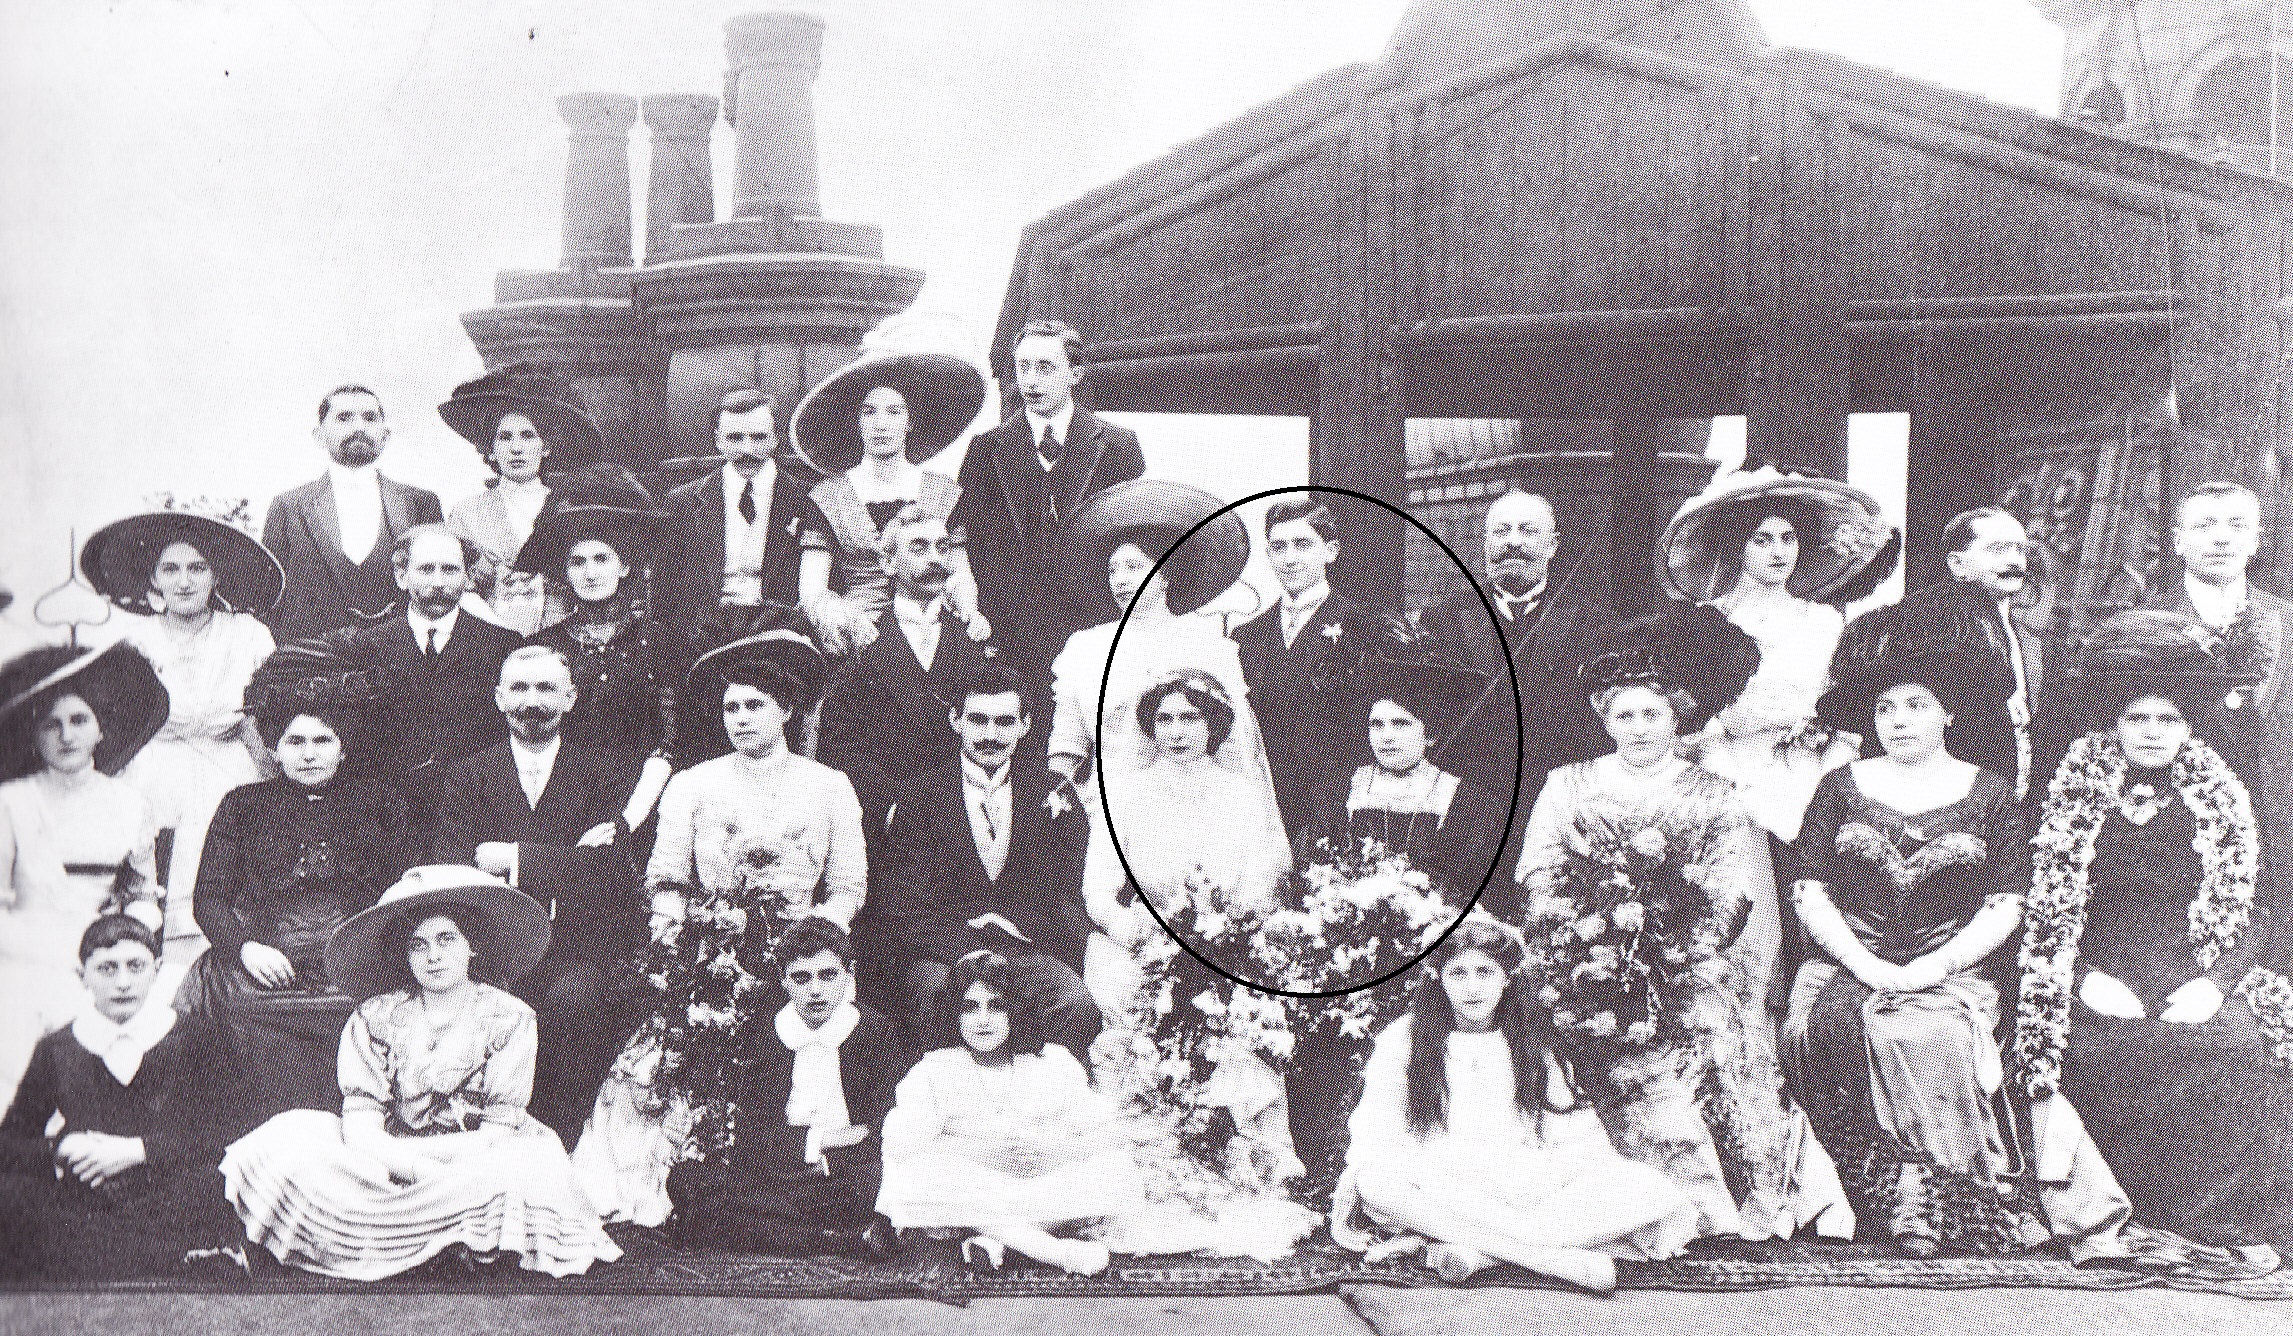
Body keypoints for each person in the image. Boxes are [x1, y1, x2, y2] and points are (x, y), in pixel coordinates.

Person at [1789, 613, 2130, 1259]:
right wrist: (1865, 963)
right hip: (1845, 963)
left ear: (1947, 714)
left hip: (1953, 965)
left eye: (1916, 704)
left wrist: (1931, 966)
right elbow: (1810, 890)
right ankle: (1876, 1204)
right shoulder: (1838, 788)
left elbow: (2006, 902)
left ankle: (1954, 1206)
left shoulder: (1989, 793)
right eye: (1884, 707)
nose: (1897, 720)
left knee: (1924, 1033)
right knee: (1805, 1031)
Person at [1516, 640, 1852, 1244]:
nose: (1639, 728)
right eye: (1625, 715)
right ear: (1604, 719)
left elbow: (1735, 887)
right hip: (1588, 959)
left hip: (1688, 962)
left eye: (1653, 715)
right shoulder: (1568, 785)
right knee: (1568, 1028)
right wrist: (1588, 941)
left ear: (1676, 717)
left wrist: (1672, 949)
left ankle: (1725, 1198)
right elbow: (1540, 874)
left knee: (1711, 1031)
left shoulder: (1713, 792)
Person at [2017, 609, 2293, 1270]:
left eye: (2167, 720)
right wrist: (2082, 976)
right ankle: (2117, 1214)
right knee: (2089, 1045)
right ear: (2112, 724)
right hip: (2096, 961)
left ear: (2188, 727)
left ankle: (2211, 1220)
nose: (2150, 732)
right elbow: (2037, 904)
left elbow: (2255, 908)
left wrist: (2213, 982)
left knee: (2233, 1042)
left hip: (2194, 961)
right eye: (2136, 718)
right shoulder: (2068, 793)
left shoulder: (2227, 798)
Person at [573, 629, 864, 1225]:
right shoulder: (692, 785)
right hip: (710, 950)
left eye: (756, 705)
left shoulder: (828, 785)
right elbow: (666, 881)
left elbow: (847, 889)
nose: (741, 718)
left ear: (785, 711)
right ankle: (682, 1178)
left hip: (803, 959)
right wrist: (677, 951)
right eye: (731, 707)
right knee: (666, 1050)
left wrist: (807, 942)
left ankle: (781, 1173)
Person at [219, 866, 622, 1280]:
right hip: (386, 1156)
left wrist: (431, 1168)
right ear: (405, 955)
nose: (433, 956)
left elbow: (497, 1135)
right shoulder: (375, 1017)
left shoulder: (510, 1018)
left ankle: (440, 1239)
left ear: (472, 947)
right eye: (418, 945)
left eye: (447, 939)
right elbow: (361, 1130)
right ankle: (443, 1241)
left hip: (474, 1158)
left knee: (525, 1166)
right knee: (283, 1140)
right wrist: (409, 1166)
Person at [1333, 918, 1699, 1293]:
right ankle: (1556, 1261)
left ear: (1505, 977)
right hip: (1441, 1174)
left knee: (1644, 1191)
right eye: (1458, 973)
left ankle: (1480, 1251)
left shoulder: (1527, 1038)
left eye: (1484, 972)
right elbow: (1378, 1127)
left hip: (1519, 1175)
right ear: (1437, 975)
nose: (1472, 987)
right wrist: (1383, 1170)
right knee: (1378, 1182)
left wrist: (1580, 1166)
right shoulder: (1405, 1038)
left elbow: (1566, 1125)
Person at [180, 639, 419, 1123]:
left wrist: (368, 950)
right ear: (273, 746)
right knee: (239, 1021)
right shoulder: (243, 805)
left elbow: (404, 888)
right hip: (266, 964)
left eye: (322, 740)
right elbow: (209, 899)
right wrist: (245, 948)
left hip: (353, 962)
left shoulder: (380, 801)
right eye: (295, 741)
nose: (308, 755)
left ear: (344, 745)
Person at [432, 645, 646, 1143]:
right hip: (493, 949)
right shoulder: (469, 774)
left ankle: (555, 1147)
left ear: (570, 698)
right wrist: (567, 862)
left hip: (579, 948)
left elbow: (613, 874)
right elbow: (455, 866)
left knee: (577, 1003)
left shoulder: (608, 773)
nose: (532, 700)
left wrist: (517, 859)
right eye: (520, 688)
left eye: (546, 688)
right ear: (499, 697)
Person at [82, 507, 282, 974]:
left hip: (229, 764)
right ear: (152, 578)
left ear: (216, 575)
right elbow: (116, 717)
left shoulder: (247, 634)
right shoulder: (135, 637)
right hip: (153, 766)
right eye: (170, 569)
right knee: (149, 878)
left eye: (197, 567)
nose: (184, 581)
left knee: (226, 873)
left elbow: (270, 709)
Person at [0, 915, 256, 1281]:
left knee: (211, 1187)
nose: (123, 982)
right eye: (106, 968)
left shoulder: (196, 1036)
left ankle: (120, 1259)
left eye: (135, 966)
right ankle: (168, 1261)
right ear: (82, 975)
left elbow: (232, 1130)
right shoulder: (58, 1049)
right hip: (90, 1199)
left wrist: (138, 1151)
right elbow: (10, 1141)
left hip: (169, 1195)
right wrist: (62, 1147)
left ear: (156, 969)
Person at [1657, 466, 1896, 845]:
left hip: (1808, 774)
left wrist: (1829, 765)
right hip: (1725, 771)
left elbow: (1842, 707)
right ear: (1736, 547)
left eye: (1788, 538)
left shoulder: (1824, 622)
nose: (1779, 551)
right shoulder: (1704, 623)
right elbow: (1685, 715)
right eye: (1762, 540)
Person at [869, 665, 1097, 1057]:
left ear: (1025, 726)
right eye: (978, 720)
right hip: (945, 953)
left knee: (1073, 1005)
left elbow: (1068, 895)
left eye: (1004, 722)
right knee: (931, 993)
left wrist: (1019, 937)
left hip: (1028, 948)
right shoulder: (918, 797)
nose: (991, 735)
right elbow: (903, 904)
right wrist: (968, 947)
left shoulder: (1054, 794)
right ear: (955, 720)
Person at [877, 950, 1143, 1275]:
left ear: (1015, 1011)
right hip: (972, 1183)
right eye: (970, 1008)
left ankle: (993, 1237)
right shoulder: (936, 1071)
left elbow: (1106, 1132)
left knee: (1118, 1171)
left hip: (1037, 1182)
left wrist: (1051, 1154)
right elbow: (901, 1146)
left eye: (996, 1006)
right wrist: (986, 1154)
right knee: (912, 1177)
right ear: (955, 1015)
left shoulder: (1049, 1065)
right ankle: (1050, 1250)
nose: (983, 1020)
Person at [665, 917, 903, 1259]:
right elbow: (752, 1134)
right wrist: (821, 1140)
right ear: (784, 982)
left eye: (828, 975)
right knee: (685, 1179)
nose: (815, 990)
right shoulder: (767, 1033)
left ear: (849, 975)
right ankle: (841, 1241)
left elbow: (882, 1127)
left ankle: (722, 1226)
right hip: (776, 1173)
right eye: (801, 978)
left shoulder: (874, 1032)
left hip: (842, 1178)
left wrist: (833, 1155)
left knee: (868, 1186)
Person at [0, 642, 167, 1092]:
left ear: (101, 730)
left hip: (102, 950)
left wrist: (129, 934)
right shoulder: (12, 804)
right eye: (52, 725)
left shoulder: (128, 804)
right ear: (35, 736)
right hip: (22, 949)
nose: (66, 736)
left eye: (79, 721)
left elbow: (143, 893)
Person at [954, 320, 1147, 679]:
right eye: (1022, 367)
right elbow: (965, 539)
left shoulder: (1117, 444)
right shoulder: (986, 448)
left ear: (1075, 373)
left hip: (1093, 624)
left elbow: (1132, 539)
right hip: (1010, 635)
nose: (1030, 381)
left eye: (1045, 367)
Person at [1412, 489, 1615, 831]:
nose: (1512, 542)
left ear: (1552, 545)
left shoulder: (1591, 624)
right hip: (1469, 805)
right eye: (1501, 531)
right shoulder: (1444, 618)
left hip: (1556, 805)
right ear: (1485, 543)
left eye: (1528, 530)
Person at [1047, 478, 1253, 805]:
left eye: (1134, 566)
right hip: (1107, 802)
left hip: (1188, 801)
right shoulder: (1085, 647)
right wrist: (1060, 795)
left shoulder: (1206, 644)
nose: (1122, 580)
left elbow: (1233, 742)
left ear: (1164, 575)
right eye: (1113, 570)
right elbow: (1067, 740)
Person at [816, 505, 1004, 845]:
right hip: (889, 830)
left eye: (942, 548)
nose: (935, 558)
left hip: (967, 828)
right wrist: (889, 808)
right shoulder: (860, 650)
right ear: (888, 563)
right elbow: (842, 746)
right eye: (919, 547)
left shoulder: (975, 642)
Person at [789, 344, 991, 656]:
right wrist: (847, 620)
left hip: (933, 626)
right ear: (856, 422)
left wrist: (968, 611)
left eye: (893, 411)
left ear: (910, 421)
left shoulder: (945, 493)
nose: (880, 424)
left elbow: (960, 571)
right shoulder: (828, 497)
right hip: (860, 635)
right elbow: (812, 590)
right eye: (868, 412)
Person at [2145, 481, 2293, 888]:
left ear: (2256, 540)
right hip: (2162, 835)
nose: (2222, 537)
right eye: (2204, 525)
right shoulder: (2140, 616)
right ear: (2177, 541)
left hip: (2274, 830)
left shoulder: (2286, 619)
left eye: (2237, 525)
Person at [519, 464, 679, 833]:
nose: (589, 573)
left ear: (624, 567)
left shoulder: (657, 640)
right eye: (577, 562)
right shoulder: (546, 645)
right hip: (565, 800)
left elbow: (670, 740)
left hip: (643, 800)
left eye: (601, 559)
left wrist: (628, 819)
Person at [1843, 509, 2042, 799]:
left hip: (2006, 798)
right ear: (1957, 564)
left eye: (2020, 550)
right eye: (1997, 550)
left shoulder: (2026, 636)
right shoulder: (1932, 617)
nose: (2014, 561)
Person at [1295, 652, 1512, 910]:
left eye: (1400, 724)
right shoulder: (1337, 793)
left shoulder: (1471, 805)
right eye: (1376, 724)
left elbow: (1478, 891)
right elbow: (1311, 875)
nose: (1386, 737)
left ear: (1430, 734)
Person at [338, 525, 522, 818]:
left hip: (475, 811)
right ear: (401, 576)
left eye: (450, 570)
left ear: (467, 577)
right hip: (389, 814)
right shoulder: (367, 645)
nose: (438, 582)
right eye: (426, 569)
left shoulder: (502, 645)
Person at [1230, 496, 1383, 840]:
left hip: (1340, 800)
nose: (1290, 558)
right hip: (1268, 801)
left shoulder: (1364, 626)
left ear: (1330, 550)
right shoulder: (1245, 637)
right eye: (1278, 547)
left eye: (1302, 545)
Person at [262, 384, 444, 642]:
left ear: (385, 435)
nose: (359, 427)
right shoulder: (287, 507)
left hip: (400, 664)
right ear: (319, 436)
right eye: (344, 418)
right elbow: (267, 598)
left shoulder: (421, 503)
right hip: (313, 666)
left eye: (370, 418)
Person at [439, 365, 606, 636]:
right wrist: (493, 629)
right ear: (490, 450)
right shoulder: (466, 514)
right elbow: (457, 585)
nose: (516, 448)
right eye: (504, 437)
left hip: (566, 635)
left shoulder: (570, 505)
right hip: (491, 638)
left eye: (528, 436)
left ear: (546, 447)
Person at [661, 389, 828, 642]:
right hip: (704, 640)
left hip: (779, 638)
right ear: (718, 440)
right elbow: (666, 593)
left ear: (776, 439)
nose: (746, 449)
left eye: (759, 437)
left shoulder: (808, 500)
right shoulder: (682, 502)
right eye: (735, 438)